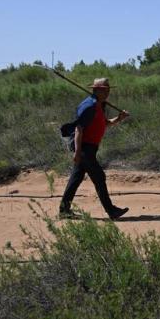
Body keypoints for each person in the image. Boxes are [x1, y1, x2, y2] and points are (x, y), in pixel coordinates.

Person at [59, 78, 130, 220]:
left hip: (90, 148)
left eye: (108, 89)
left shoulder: (99, 105)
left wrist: (119, 118)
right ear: (96, 90)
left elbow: (105, 124)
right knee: (99, 177)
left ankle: (64, 210)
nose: (108, 92)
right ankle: (111, 211)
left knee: (76, 178)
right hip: (85, 148)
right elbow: (79, 129)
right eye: (105, 89)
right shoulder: (89, 106)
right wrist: (78, 152)